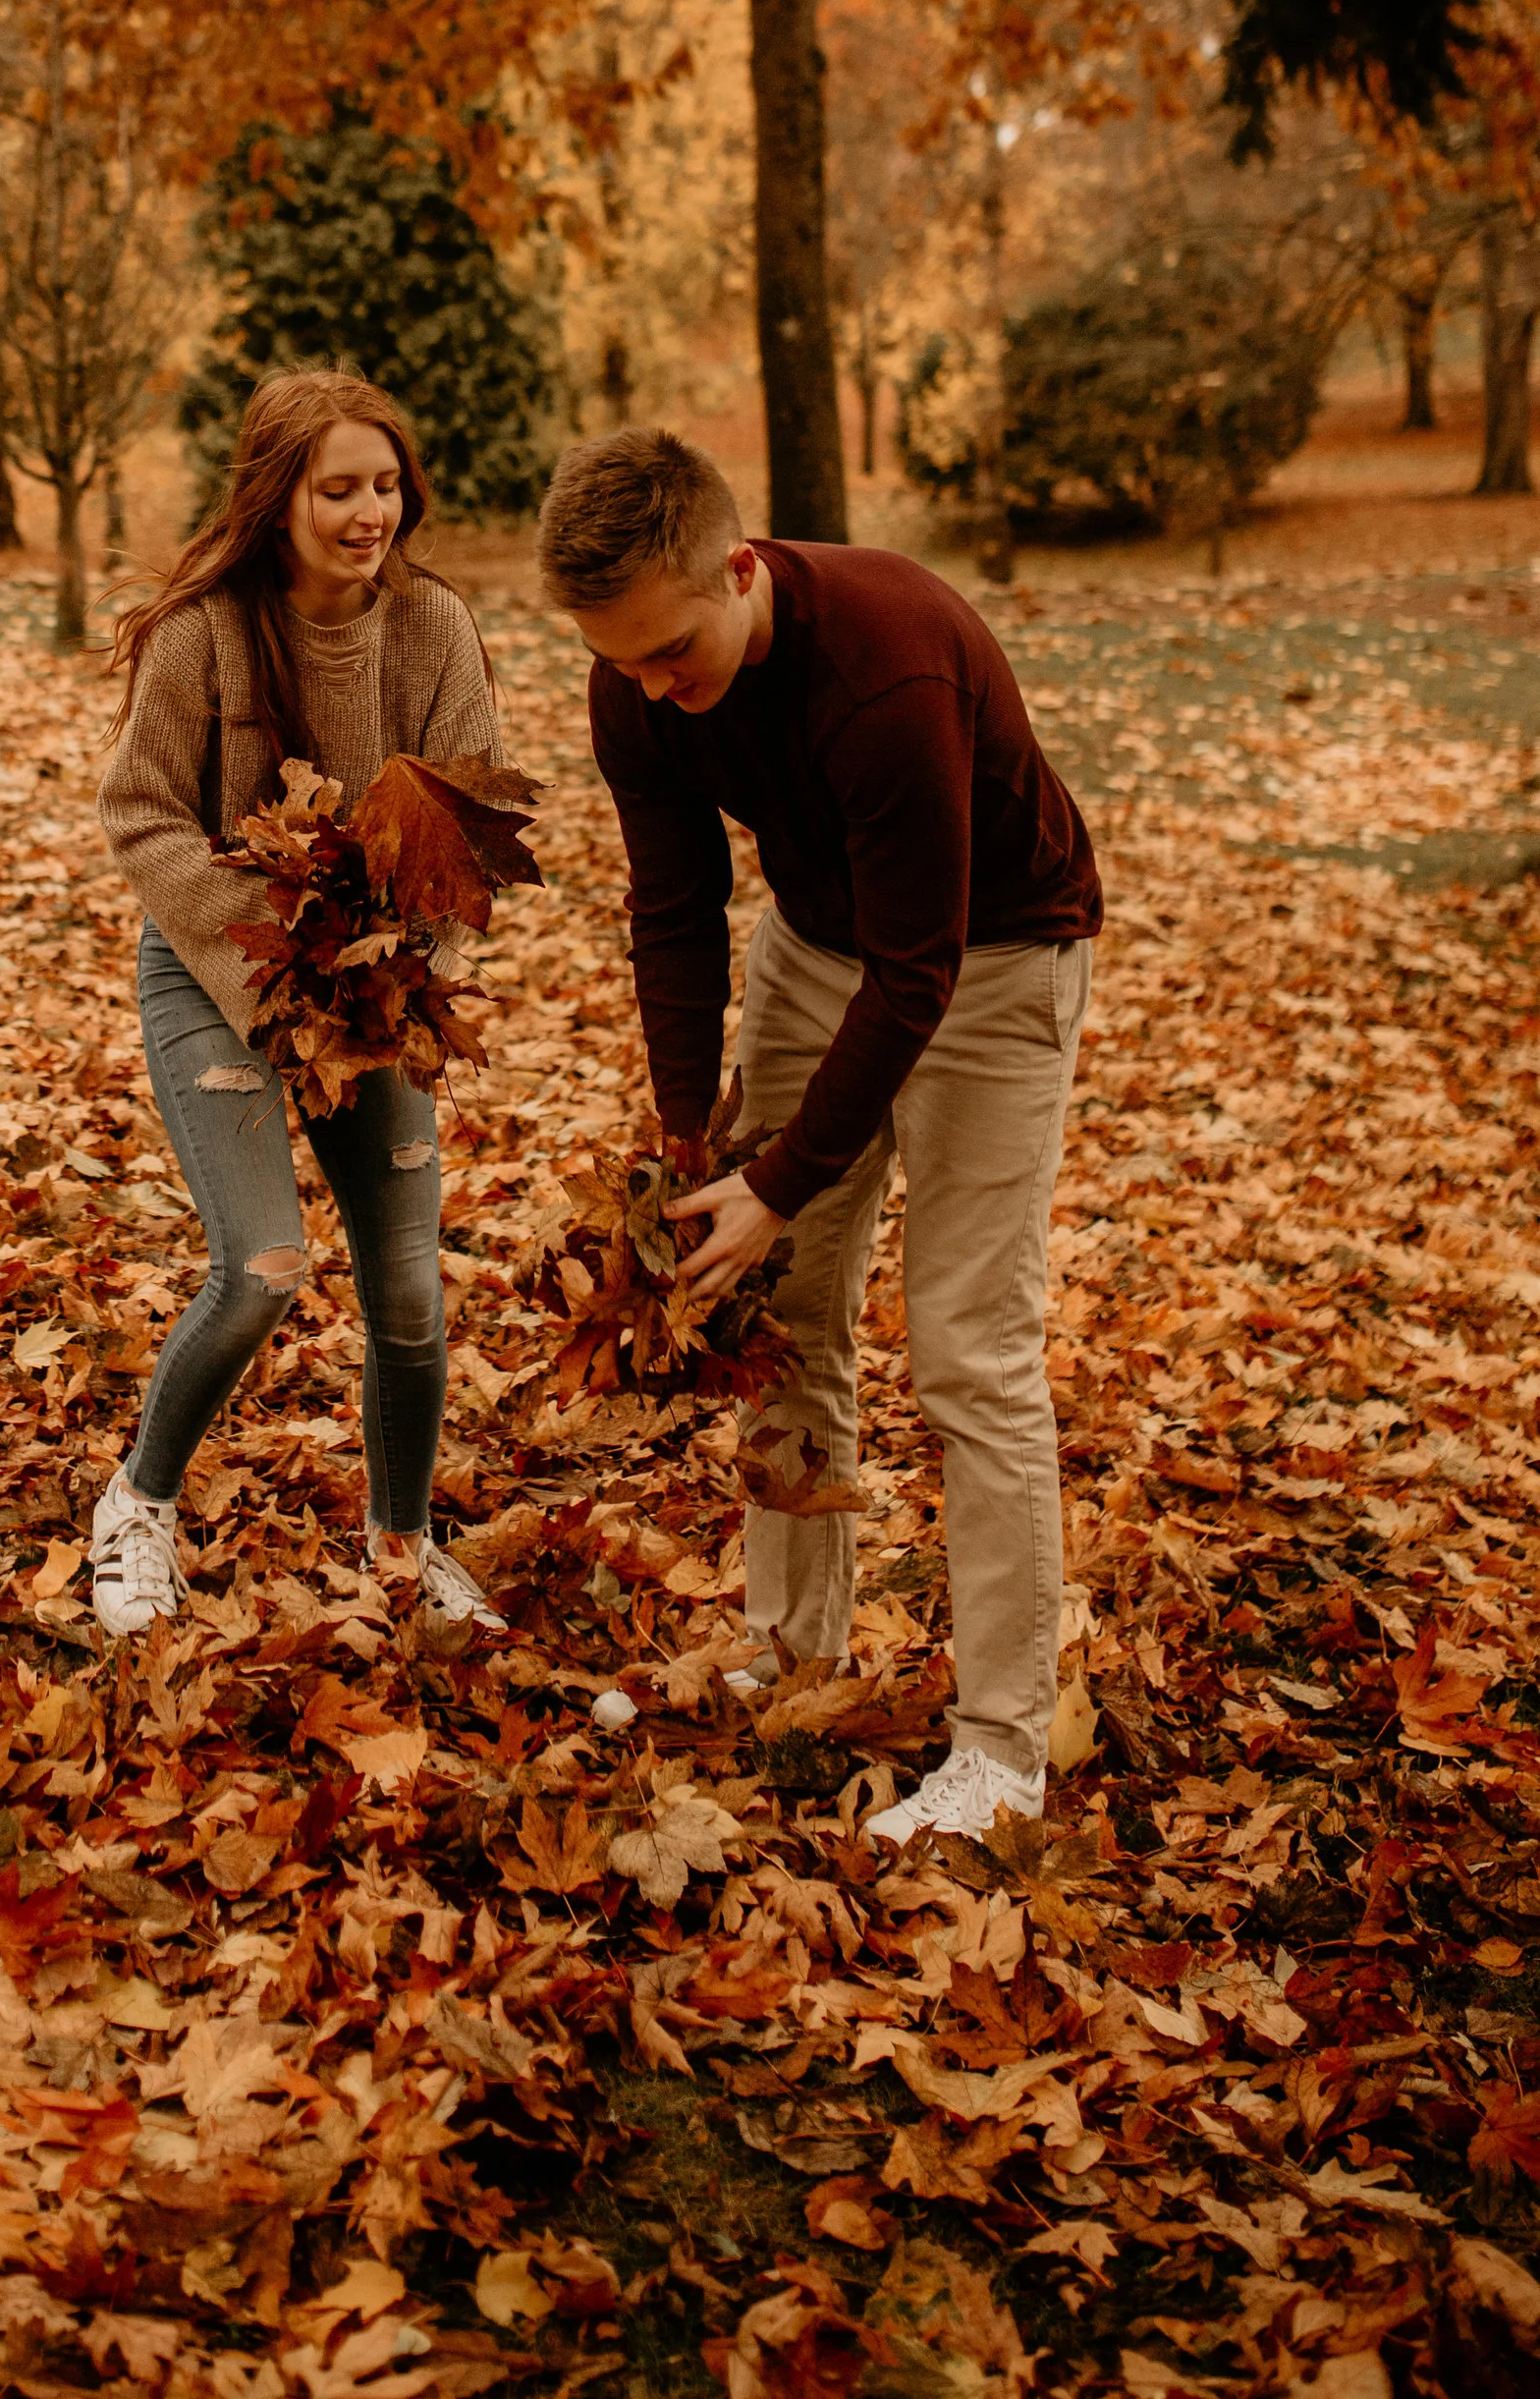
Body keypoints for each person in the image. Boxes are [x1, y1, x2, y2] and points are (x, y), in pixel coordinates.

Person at [536, 428, 1102, 1846]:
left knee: (971, 1344)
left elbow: (921, 968)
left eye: (674, 652)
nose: (656, 687)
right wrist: (694, 1142)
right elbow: (673, 908)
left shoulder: (886, 671)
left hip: (992, 957)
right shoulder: (638, 684)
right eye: (623, 664)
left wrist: (783, 1179)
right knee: (783, 1305)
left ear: (738, 569)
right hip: (815, 946)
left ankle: (1000, 1749)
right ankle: (793, 1651)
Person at [91, 368, 511, 1639]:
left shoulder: (432, 626)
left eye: (384, 484)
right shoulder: (205, 631)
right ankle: (138, 1502)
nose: (368, 510)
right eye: (339, 487)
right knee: (266, 1267)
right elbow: (142, 812)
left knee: (407, 1292)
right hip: (219, 971)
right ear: (281, 500)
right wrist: (262, 949)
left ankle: (403, 1543)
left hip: (377, 987)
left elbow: (468, 819)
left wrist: (394, 961)